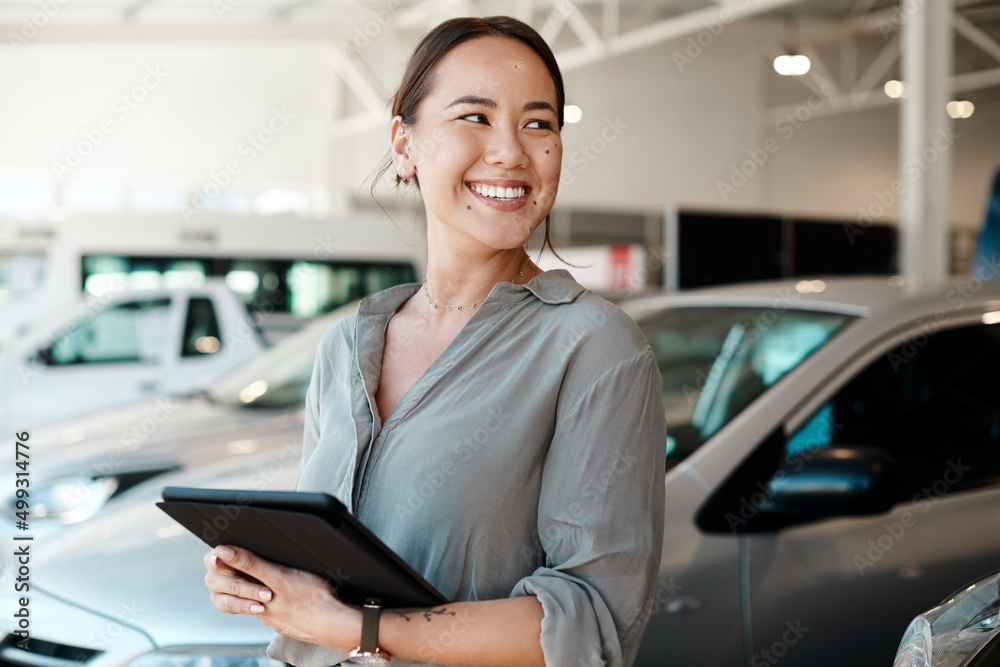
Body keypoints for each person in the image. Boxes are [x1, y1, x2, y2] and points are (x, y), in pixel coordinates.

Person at [203, 15, 666, 667]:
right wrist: (258, 579)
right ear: (404, 144)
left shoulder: (594, 348)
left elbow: (592, 620)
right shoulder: (347, 344)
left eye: (539, 123)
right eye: (474, 117)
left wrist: (356, 628)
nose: (511, 151)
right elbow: (325, 567)